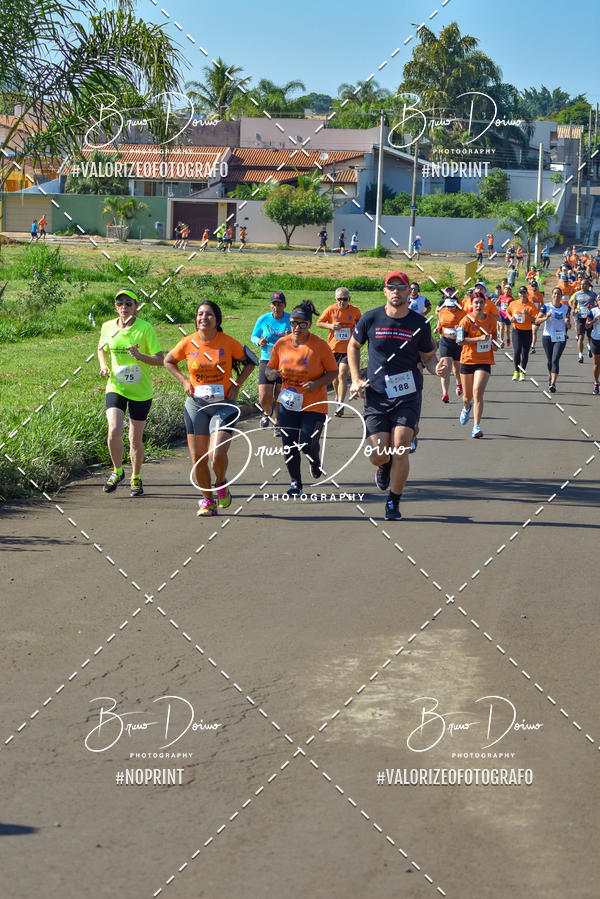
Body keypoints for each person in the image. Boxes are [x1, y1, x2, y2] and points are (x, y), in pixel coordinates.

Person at [347, 270, 441, 521]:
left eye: (401, 287)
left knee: (400, 447)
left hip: (407, 394)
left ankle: (393, 502)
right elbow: (353, 346)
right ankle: (384, 465)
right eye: (392, 287)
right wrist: (355, 379)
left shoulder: (419, 324)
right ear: (385, 291)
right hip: (376, 395)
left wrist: (437, 368)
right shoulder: (371, 319)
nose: (396, 292)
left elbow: (429, 357)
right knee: (378, 454)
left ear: (409, 291)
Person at [164, 301, 257, 516]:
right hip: (196, 406)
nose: (203, 318)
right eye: (200, 314)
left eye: (209, 314)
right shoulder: (188, 342)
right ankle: (208, 501)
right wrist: (184, 381)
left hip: (223, 405)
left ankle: (221, 483)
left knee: (216, 454)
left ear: (217, 319)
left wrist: (237, 385)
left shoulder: (228, 342)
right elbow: (169, 361)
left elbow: (251, 361)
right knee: (198, 458)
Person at [266, 301, 338, 496]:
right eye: (293, 323)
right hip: (287, 402)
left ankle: (314, 459)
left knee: (307, 443)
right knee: (288, 444)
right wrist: (270, 373)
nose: (297, 327)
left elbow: (333, 371)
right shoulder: (281, 344)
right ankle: (295, 483)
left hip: (314, 403)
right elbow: (270, 367)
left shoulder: (320, 346)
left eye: (302, 324)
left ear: (310, 324)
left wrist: (316, 383)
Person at [97, 289, 164, 496]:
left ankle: (136, 477)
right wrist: (103, 366)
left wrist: (140, 356)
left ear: (136, 307)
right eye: (120, 303)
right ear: (115, 307)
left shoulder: (145, 328)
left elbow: (160, 359)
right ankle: (117, 471)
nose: (124, 307)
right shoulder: (108, 327)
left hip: (140, 391)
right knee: (113, 430)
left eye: (129, 303)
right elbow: (101, 348)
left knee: (135, 439)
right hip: (116, 386)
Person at [457, 290, 497, 438]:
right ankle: (466, 407)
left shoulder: (491, 320)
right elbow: (460, 341)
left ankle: (476, 426)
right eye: (476, 303)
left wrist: (495, 344)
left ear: (485, 304)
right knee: (467, 397)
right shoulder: (465, 321)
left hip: (484, 361)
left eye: (481, 302)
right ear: (471, 304)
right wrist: (478, 339)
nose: (478, 305)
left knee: (477, 391)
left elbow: (494, 338)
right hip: (468, 360)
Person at [316, 286, 362, 416]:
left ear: (349, 299)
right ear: (336, 299)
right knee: (335, 377)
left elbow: (361, 324)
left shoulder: (355, 311)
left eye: (344, 299)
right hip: (333, 348)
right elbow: (319, 322)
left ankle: (340, 405)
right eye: (339, 299)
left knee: (342, 374)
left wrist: (358, 331)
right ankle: (338, 396)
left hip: (348, 349)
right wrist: (331, 326)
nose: (342, 302)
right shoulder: (331, 309)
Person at [250, 292, 291, 429]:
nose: (276, 307)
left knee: (280, 394)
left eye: (279, 304)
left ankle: (277, 424)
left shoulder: (290, 319)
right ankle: (267, 412)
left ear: (284, 305)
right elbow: (253, 336)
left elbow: (300, 337)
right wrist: (259, 341)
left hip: (284, 361)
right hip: (267, 359)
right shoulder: (263, 319)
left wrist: (290, 336)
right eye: (274, 304)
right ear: (270, 305)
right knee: (263, 396)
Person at [537, 287, 571, 392]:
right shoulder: (546, 307)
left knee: (555, 359)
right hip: (547, 336)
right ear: (552, 295)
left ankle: (553, 383)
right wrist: (546, 317)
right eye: (555, 293)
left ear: (561, 296)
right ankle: (550, 375)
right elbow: (537, 320)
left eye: (558, 294)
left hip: (560, 336)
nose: (556, 295)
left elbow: (567, 319)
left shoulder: (566, 308)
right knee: (550, 361)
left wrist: (567, 323)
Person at [435, 289, 466, 403]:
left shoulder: (462, 313)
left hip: (458, 343)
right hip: (445, 342)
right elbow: (440, 322)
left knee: (457, 369)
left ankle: (459, 383)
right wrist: (437, 328)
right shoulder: (442, 311)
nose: (449, 308)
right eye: (448, 306)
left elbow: (466, 326)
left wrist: (460, 328)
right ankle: (445, 393)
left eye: (452, 306)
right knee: (445, 368)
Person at [506, 286, 538, 381]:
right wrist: (510, 318)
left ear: (527, 294)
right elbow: (507, 311)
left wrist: (527, 314)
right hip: (516, 330)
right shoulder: (513, 304)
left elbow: (535, 320)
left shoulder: (531, 306)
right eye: (521, 292)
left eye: (524, 292)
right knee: (517, 351)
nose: (523, 294)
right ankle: (516, 371)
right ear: (518, 294)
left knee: (525, 353)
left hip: (527, 331)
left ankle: (522, 372)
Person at [570, 276, 597, 362]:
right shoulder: (577, 294)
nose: (582, 286)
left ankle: (589, 347)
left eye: (585, 284)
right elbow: (574, 304)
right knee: (580, 336)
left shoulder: (593, 294)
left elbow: (598, 303)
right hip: (580, 318)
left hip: (589, 318)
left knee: (589, 336)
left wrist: (593, 307)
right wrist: (574, 309)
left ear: (588, 285)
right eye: (581, 284)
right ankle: (580, 356)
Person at [585, 297, 600, 394]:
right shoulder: (593, 311)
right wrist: (595, 319)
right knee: (597, 364)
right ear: (597, 302)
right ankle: (596, 383)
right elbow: (587, 325)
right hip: (596, 339)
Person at [527, 278, 545, 353]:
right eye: (533, 286)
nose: (534, 287)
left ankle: (533, 347)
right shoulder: (528, 294)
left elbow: (542, 304)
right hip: (528, 315)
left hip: (537, 316)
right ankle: (527, 345)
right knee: (528, 332)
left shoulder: (540, 295)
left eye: (535, 286)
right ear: (531, 286)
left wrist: (542, 313)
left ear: (537, 287)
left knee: (534, 331)